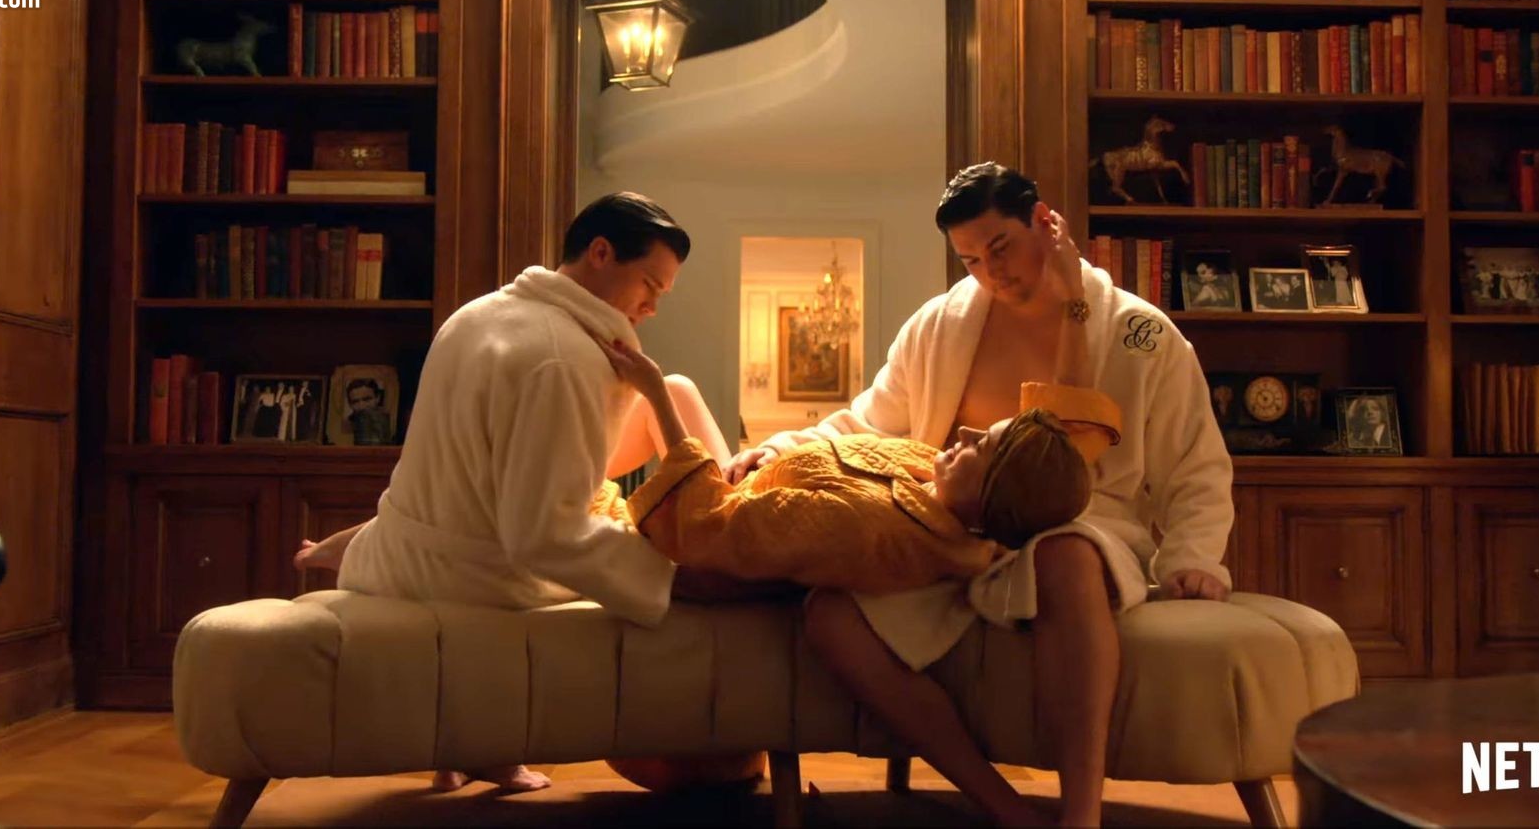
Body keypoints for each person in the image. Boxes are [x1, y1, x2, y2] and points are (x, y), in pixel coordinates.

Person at [729, 163, 1235, 828]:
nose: (991, 272)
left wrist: (1192, 556)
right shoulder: (939, 326)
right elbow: (870, 422)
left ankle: (1080, 816)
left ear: (1044, 222)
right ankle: (1004, 807)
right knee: (831, 614)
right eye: (970, 259)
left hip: (1089, 526)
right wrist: (783, 449)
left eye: (1000, 247)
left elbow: (1194, 462)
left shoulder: (1139, 333)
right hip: (963, 531)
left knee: (1062, 552)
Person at [293, 192, 748, 794]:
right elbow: (543, 535)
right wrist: (667, 580)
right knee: (677, 572)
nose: (652, 307)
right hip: (473, 575)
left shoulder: (477, 314)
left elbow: (468, 471)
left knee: (667, 400)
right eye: (649, 285)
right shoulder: (563, 359)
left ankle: (362, 548)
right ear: (600, 252)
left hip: (406, 547)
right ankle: (487, 744)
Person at [581, 205, 1117, 598]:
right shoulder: (924, 470)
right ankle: (580, 474)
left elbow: (706, 529)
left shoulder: (872, 521)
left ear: (993, 495)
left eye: (983, 447)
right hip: (746, 486)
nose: (966, 433)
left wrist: (652, 391)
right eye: (971, 259)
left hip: (702, 524)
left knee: (666, 392)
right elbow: (1055, 433)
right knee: (679, 388)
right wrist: (776, 449)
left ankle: (575, 486)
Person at [345, 378, 392, 445]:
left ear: (377, 398)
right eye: (355, 402)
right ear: (350, 404)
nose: (362, 406)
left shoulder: (388, 421)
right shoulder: (347, 424)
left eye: (367, 399)